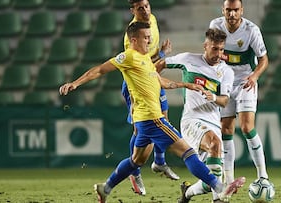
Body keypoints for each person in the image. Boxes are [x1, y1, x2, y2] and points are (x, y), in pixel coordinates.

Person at [59, 22, 243, 203]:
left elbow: (160, 82)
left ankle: (105, 188)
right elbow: (99, 70)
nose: (149, 40)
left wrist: (185, 85)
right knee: (188, 153)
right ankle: (220, 188)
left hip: (144, 121)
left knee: (135, 161)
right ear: (133, 40)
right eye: (146, 37)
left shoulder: (145, 59)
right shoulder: (128, 57)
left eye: (149, 37)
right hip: (153, 119)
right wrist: (75, 83)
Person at [157, 28, 246, 203]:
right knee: (215, 143)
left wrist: (213, 97)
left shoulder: (226, 71)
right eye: (214, 49)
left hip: (213, 124)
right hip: (192, 120)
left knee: (210, 181)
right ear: (205, 46)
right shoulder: (188, 59)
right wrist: (155, 85)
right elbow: (159, 65)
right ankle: (219, 199)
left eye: (222, 50)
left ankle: (187, 192)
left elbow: (225, 101)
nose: (219, 54)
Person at [209, 0, 270, 186]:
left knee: (246, 127)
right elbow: (211, 52)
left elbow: (264, 60)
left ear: (241, 10)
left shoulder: (252, 30)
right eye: (228, 10)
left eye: (236, 10)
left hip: (245, 82)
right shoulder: (215, 25)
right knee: (226, 129)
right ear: (223, 10)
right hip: (224, 82)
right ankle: (228, 180)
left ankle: (263, 176)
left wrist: (254, 76)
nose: (232, 14)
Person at [122, 0, 179, 196]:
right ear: (133, 11)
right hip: (137, 83)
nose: (145, 10)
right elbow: (141, 64)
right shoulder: (132, 35)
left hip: (152, 77)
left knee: (163, 119)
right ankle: (134, 172)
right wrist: (163, 54)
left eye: (146, 5)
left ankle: (159, 162)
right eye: (140, 8)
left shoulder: (151, 19)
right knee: (141, 129)